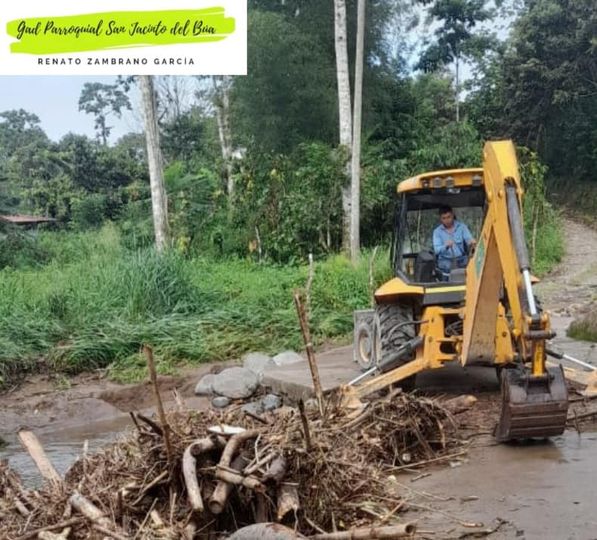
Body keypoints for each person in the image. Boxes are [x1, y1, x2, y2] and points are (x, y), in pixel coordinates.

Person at [432, 205, 476, 278]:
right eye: (444, 218)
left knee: (471, 266)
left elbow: (468, 239)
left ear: (452, 215)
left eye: (448, 217)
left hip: (461, 259)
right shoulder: (437, 232)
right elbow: (437, 250)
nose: (447, 220)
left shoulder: (462, 227)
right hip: (445, 260)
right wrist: (445, 246)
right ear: (440, 219)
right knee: (447, 267)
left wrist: (471, 242)